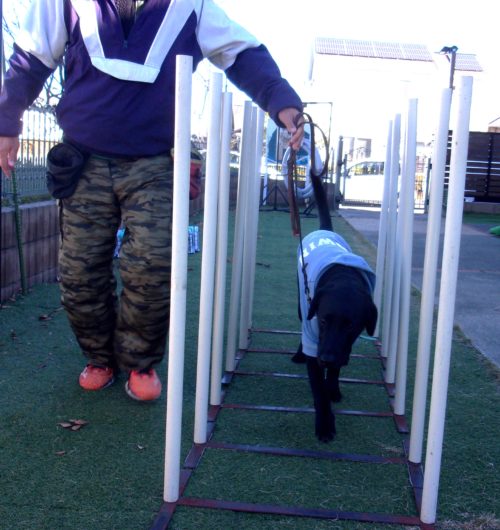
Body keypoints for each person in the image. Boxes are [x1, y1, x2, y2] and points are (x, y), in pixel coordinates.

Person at [0, 0, 304, 401]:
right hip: (83, 159)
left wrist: (282, 102)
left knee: (154, 264)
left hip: (155, 162)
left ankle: (139, 363)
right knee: (79, 272)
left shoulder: (190, 6)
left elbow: (241, 52)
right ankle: (99, 359)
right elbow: (32, 56)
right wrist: (7, 121)